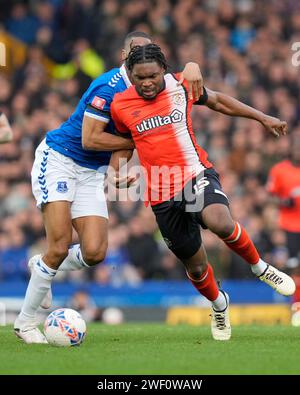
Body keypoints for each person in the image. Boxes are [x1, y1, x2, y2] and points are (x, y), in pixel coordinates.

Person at [14, 32, 204, 344]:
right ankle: (24, 324)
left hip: (92, 172)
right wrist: (141, 139)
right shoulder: (108, 86)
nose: (141, 58)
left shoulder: (149, 89)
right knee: (60, 245)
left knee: (95, 252)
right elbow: (91, 139)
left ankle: (42, 266)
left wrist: (193, 64)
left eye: (147, 52)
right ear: (124, 56)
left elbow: (126, 139)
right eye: (136, 52)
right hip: (61, 159)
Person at [110, 44, 296, 341]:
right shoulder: (120, 104)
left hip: (194, 175)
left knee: (220, 221)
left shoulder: (181, 85)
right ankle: (219, 305)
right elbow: (122, 144)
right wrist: (117, 172)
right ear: (130, 74)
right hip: (161, 192)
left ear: (163, 70)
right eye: (140, 77)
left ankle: (260, 267)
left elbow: (219, 101)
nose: (147, 82)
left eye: (153, 76)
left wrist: (262, 117)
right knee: (196, 268)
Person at [267, 130, 300, 259]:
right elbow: (269, 197)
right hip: (287, 224)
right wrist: (284, 201)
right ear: (291, 150)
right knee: (291, 261)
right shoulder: (279, 170)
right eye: (297, 149)